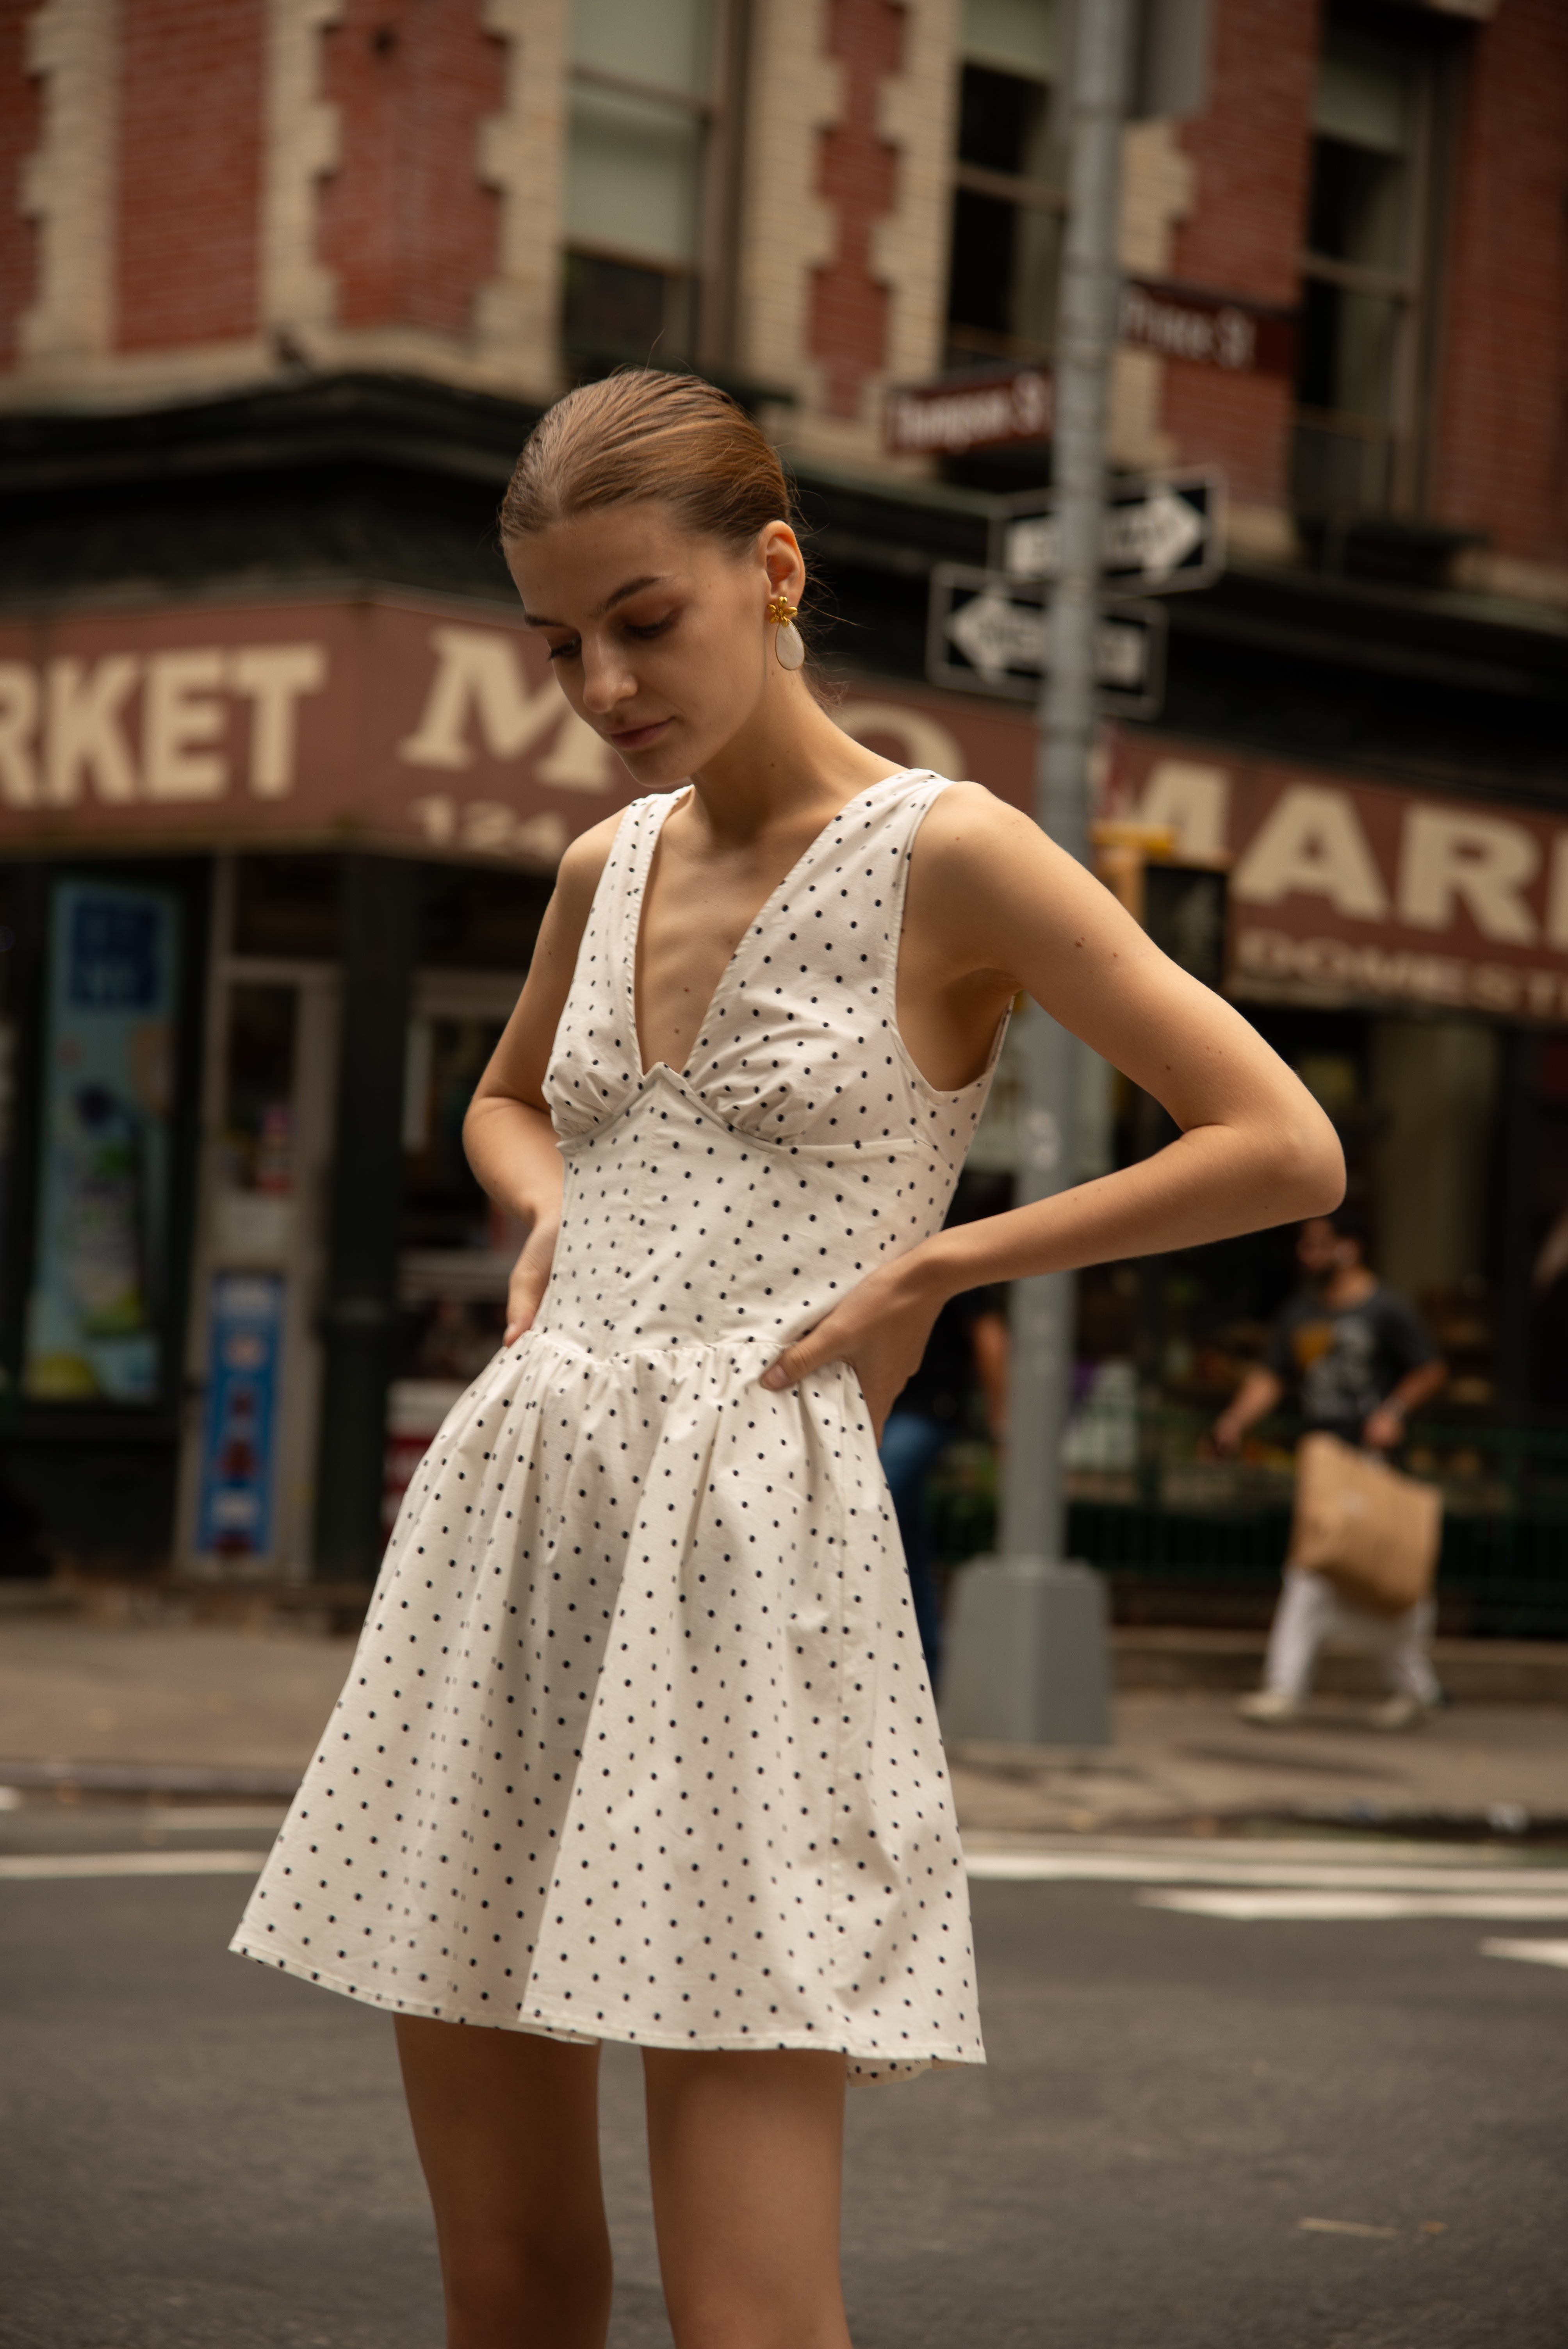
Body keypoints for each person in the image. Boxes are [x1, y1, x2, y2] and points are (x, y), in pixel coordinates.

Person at [232, 371, 1342, 2349]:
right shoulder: (603, 867)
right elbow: (505, 1105)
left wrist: (945, 1266)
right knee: (503, 2283)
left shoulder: (950, 855)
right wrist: (545, 1204)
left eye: (639, 621)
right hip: (513, 1529)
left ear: (772, 570)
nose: (598, 681)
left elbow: (1276, 1145)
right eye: (558, 642)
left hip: (748, 1568)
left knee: (746, 2314)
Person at [1213, 1210, 1448, 1730]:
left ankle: (1413, 1687)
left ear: (1352, 1247)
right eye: (1306, 1245)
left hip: (1372, 1461)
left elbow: (1428, 1369)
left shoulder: (1386, 1308)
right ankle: (1287, 1686)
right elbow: (1272, 1377)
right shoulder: (1299, 1313)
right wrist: (1234, 1420)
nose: (1310, 1255)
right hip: (1323, 1460)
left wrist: (1393, 1412)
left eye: (1321, 1245)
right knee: (1313, 1569)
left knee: (1379, 1571)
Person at [878, 1192, 1009, 1687]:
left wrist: (1001, 1425)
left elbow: (990, 1337)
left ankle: (915, 1666)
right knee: (903, 1540)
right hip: (881, 1405)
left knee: (872, 1497)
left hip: (925, 1408)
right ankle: (921, 1666)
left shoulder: (946, 1234)